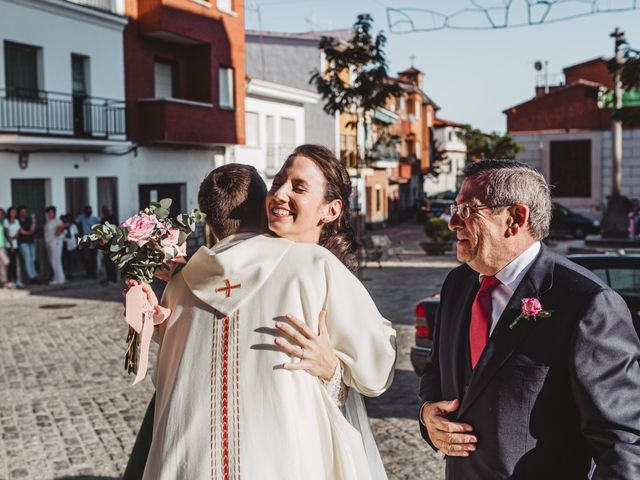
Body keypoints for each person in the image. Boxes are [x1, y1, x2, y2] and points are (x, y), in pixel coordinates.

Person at [139, 149, 396, 480]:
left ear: (331, 209)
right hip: (287, 460)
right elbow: (377, 369)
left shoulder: (184, 281)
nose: (281, 193)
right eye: (278, 181)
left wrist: (332, 369)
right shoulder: (316, 268)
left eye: (299, 187)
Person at [419, 160, 640, 479]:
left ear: (515, 218)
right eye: (456, 208)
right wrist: (427, 414)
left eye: (468, 209)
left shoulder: (587, 302)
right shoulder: (458, 284)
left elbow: (623, 441)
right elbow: (436, 369)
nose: (453, 221)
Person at [43, 206, 65, 286]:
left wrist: (57, 233)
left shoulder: (57, 220)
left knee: (55, 260)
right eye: (48, 213)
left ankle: (58, 278)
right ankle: (59, 278)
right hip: (49, 243)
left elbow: (62, 226)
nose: (49, 214)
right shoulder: (48, 222)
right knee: (53, 261)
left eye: (51, 212)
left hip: (55, 242)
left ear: (54, 213)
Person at [75, 206, 99, 278]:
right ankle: (88, 273)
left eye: (90, 212)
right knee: (86, 257)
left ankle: (94, 273)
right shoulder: (81, 218)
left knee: (93, 257)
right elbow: (75, 221)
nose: (88, 213)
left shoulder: (95, 219)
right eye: (87, 212)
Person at [17, 206, 38, 284]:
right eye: (22, 211)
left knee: (32, 259)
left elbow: (32, 229)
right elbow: (21, 231)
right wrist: (29, 233)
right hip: (22, 242)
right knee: (27, 259)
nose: (24, 213)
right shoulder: (17, 221)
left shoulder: (28, 220)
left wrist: (33, 220)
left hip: (31, 241)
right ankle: (31, 277)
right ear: (19, 212)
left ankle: (34, 275)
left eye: (25, 212)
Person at [4, 207, 23, 289]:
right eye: (12, 212)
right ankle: (11, 280)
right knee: (10, 263)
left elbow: (19, 231)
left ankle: (16, 280)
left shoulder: (17, 221)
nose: (14, 213)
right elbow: (7, 233)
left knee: (16, 263)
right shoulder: (6, 221)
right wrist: (11, 244)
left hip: (16, 244)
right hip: (9, 245)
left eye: (15, 212)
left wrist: (15, 237)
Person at [100, 206, 118, 283]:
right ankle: (109, 278)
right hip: (105, 244)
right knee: (106, 261)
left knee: (112, 262)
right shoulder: (103, 219)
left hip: (112, 243)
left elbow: (116, 229)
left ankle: (113, 278)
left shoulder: (113, 218)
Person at [61, 214, 79, 281]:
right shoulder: (62, 226)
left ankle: (70, 273)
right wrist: (67, 228)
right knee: (65, 260)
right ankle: (65, 273)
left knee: (71, 260)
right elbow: (67, 235)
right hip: (64, 245)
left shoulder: (73, 226)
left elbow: (76, 235)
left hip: (72, 245)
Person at [0, 208, 9, 288]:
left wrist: (10, 243)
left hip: (3, 246)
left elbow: (6, 234)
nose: (0, 215)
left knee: (3, 266)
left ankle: (4, 282)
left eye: (1, 214)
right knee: (6, 261)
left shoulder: (3, 223)